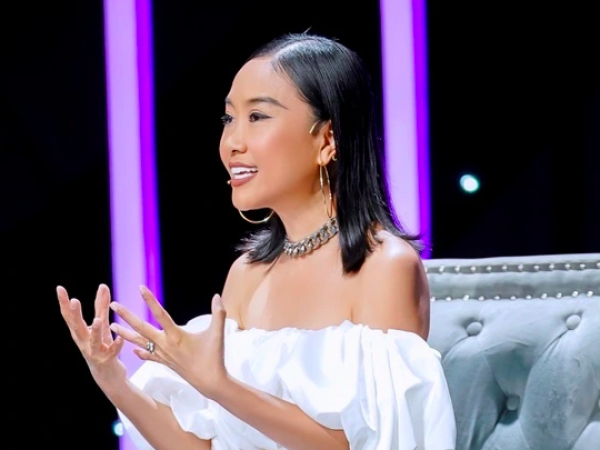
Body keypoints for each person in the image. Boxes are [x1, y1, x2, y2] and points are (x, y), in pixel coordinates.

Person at [57, 32, 456, 450]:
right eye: (229, 119)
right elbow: (205, 445)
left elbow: (375, 441)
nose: (233, 142)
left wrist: (221, 386)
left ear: (327, 140)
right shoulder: (247, 273)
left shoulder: (383, 266)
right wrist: (112, 378)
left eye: (258, 116)